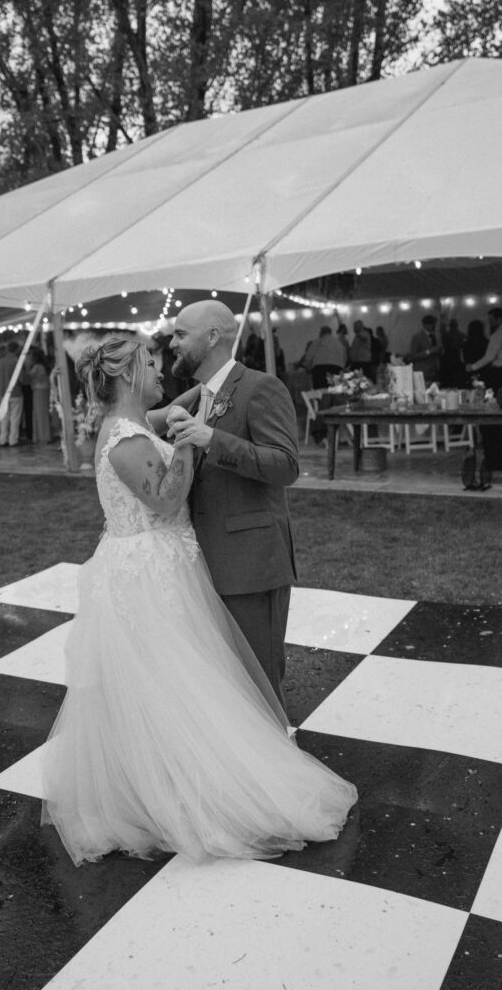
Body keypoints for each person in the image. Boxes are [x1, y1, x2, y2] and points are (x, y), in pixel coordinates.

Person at [40, 336, 357, 865]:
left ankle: (172, 780)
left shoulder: (136, 421)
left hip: (161, 566)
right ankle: (184, 793)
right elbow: (164, 501)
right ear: (124, 376)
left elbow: (180, 404)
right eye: (148, 363)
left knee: (183, 679)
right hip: (148, 574)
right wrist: (190, 441)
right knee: (173, 683)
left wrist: (202, 398)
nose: (159, 368)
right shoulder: (123, 438)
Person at [167, 299, 296, 707]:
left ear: (213, 337)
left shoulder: (260, 387)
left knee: (258, 678)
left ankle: (276, 758)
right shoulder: (195, 398)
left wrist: (213, 440)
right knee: (225, 681)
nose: (171, 343)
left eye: (180, 334)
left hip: (250, 563)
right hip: (206, 562)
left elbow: (286, 465)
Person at [465, 307, 502, 393]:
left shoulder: (497, 335)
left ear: (499, 319)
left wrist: (472, 367)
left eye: (491, 320)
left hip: (499, 373)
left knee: (497, 399)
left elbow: (489, 357)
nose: (489, 323)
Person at [0, 341, 24, 446]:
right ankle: (13, 439)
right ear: (16, 349)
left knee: (4, 417)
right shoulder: (16, 361)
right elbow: (21, 378)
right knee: (15, 417)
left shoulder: (0, 362)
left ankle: (2, 439)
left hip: (3, 392)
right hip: (15, 392)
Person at [302, 324, 346, 388]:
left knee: (320, 392)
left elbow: (309, 357)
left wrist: (308, 368)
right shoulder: (338, 343)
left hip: (319, 370)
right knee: (335, 390)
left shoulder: (316, 342)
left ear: (321, 333)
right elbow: (344, 357)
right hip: (336, 369)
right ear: (330, 332)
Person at [26, 346, 52, 444]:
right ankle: (44, 435)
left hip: (39, 390)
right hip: (44, 390)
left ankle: (43, 436)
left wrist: (27, 366)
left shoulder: (37, 367)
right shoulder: (43, 366)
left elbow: (28, 376)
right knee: (42, 412)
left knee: (40, 413)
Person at [409, 314, 442, 384]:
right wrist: (429, 351)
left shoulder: (435, 336)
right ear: (426, 325)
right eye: (433, 324)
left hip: (435, 370)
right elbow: (413, 356)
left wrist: (439, 350)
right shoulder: (417, 337)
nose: (434, 326)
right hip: (423, 371)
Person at [439, 318, 466, 388]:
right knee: (457, 381)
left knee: (446, 381)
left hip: (446, 359)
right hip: (457, 358)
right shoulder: (462, 335)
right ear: (457, 325)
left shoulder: (444, 335)